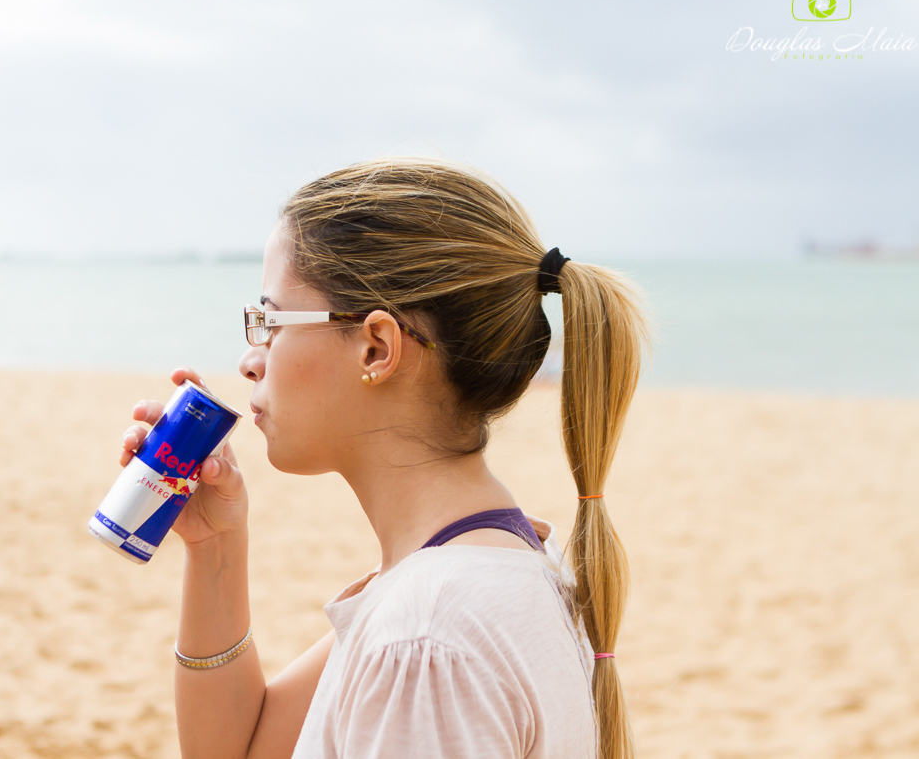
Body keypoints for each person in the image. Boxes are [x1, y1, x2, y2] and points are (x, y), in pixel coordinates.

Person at [119, 157, 648, 759]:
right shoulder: (499, 563)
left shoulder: (425, 638)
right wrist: (214, 546)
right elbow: (240, 751)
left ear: (376, 347)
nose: (251, 359)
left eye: (271, 320)